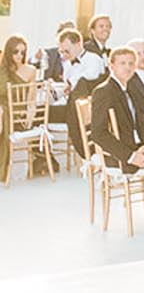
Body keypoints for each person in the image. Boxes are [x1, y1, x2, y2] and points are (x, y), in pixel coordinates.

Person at [89, 47, 144, 176]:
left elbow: (141, 122)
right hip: (119, 156)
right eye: (122, 63)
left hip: (137, 147)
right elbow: (98, 133)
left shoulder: (132, 89)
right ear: (111, 66)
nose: (127, 67)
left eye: (131, 63)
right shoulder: (104, 91)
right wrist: (131, 157)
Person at [50, 25, 105, 161]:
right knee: (41, 113)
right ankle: (45, 160)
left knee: (72, 115)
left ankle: (90, 155)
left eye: (66, 51)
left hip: (89, 108)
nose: (64, 55)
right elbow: (67, 87)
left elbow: (89, 79)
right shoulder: (68, 63)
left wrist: (70, 84)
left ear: (78, 44)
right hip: (71, 104)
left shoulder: (94, 59)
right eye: (61, 52)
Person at [1, 35, 41, 180]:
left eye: (22, 52)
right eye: (15, 52)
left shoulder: (30, 70)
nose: (19, 55)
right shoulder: (1, 69)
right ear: (8, 52)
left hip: (18, 116)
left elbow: (31, 99)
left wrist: (29, 118)